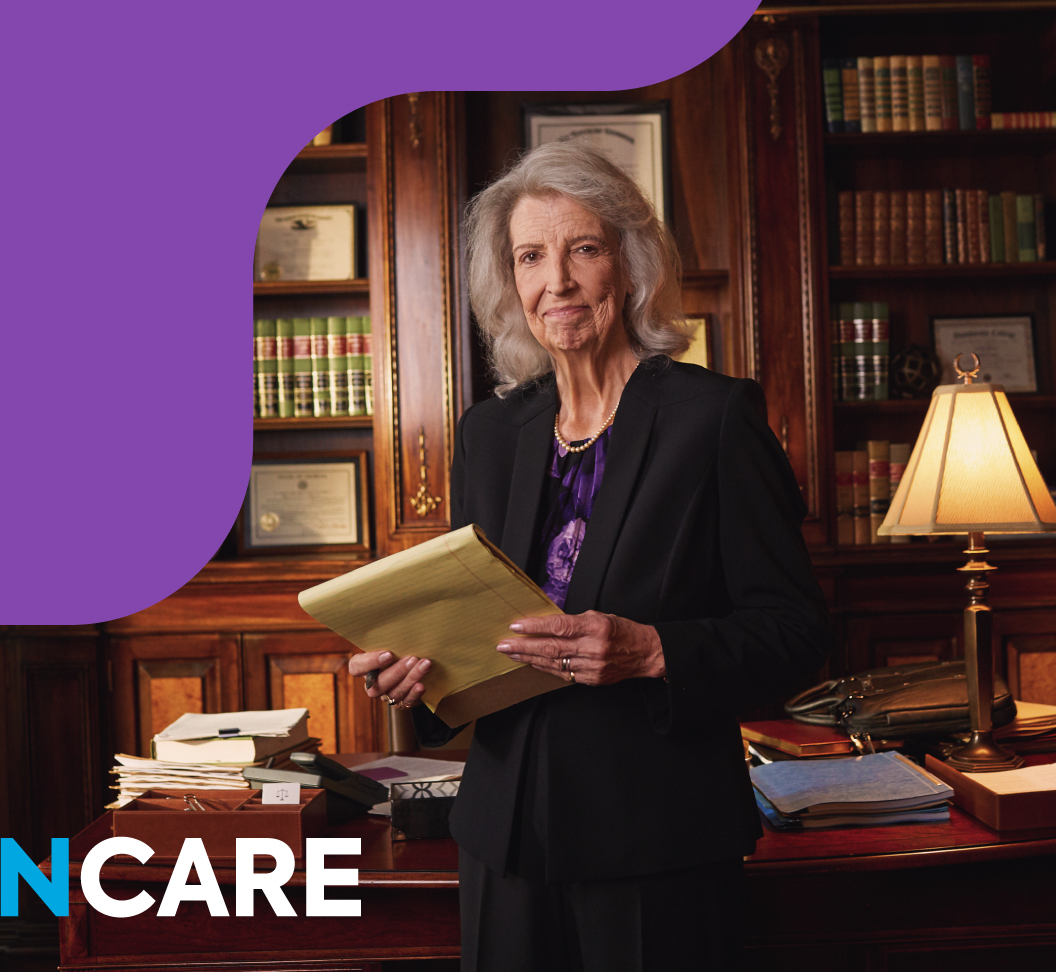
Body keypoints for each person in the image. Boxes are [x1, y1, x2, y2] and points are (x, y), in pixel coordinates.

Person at [346, 142, 831, 971]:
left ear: (631, 268)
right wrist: (420, 674)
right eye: (531, 257)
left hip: (658, 840)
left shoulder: (713, 420)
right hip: (501, 840)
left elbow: (795, 632)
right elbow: (475, 633)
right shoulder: (492, 433)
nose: (557, 282)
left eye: (584, 249)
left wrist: (652, 649)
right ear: (510, 283)